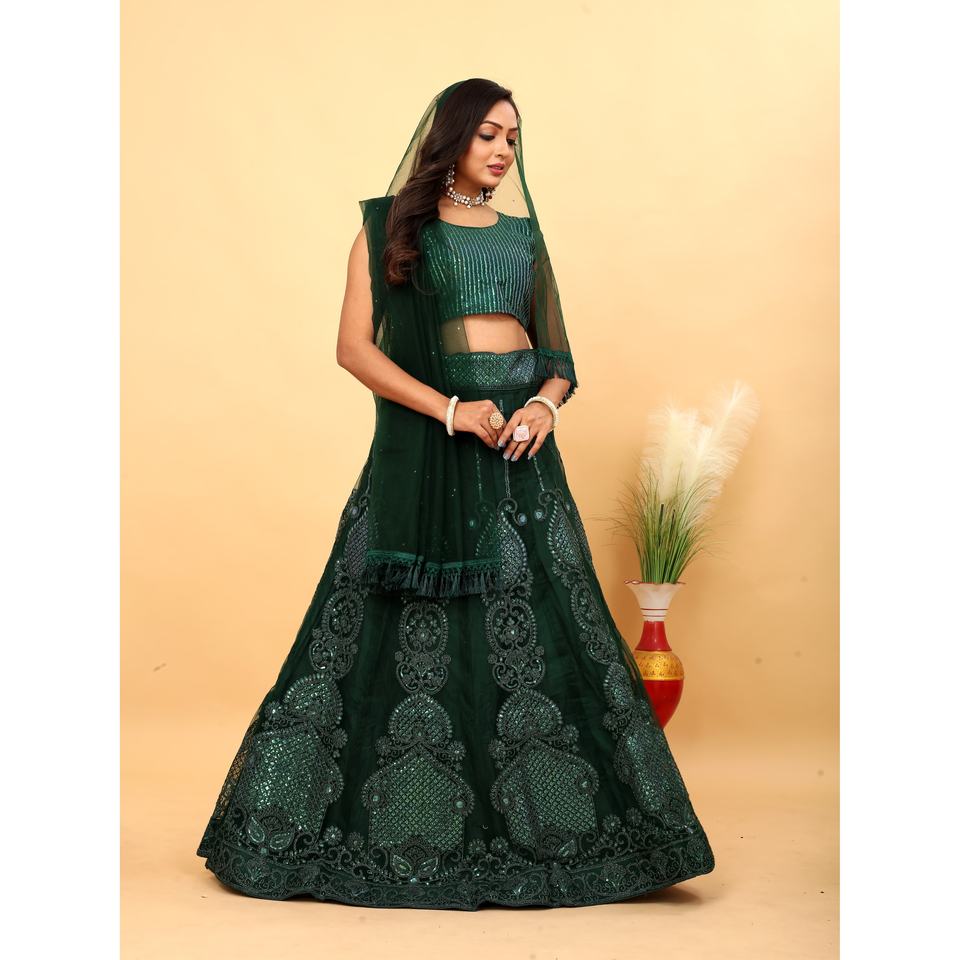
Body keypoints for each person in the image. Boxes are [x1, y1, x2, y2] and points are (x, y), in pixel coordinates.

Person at [195, 78, 715, 910]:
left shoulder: (523, 237)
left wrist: (544, 406)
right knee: (386, 632)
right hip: (431, 444)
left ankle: (554, 834)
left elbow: (558, 357)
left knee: (545, 631)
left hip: (518, 450)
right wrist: (448, 409)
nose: (504, 151)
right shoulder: (391, 231)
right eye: (489, 135)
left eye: (514, 137)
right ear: (452, 137)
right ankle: (373, 833)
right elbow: (354, 350)